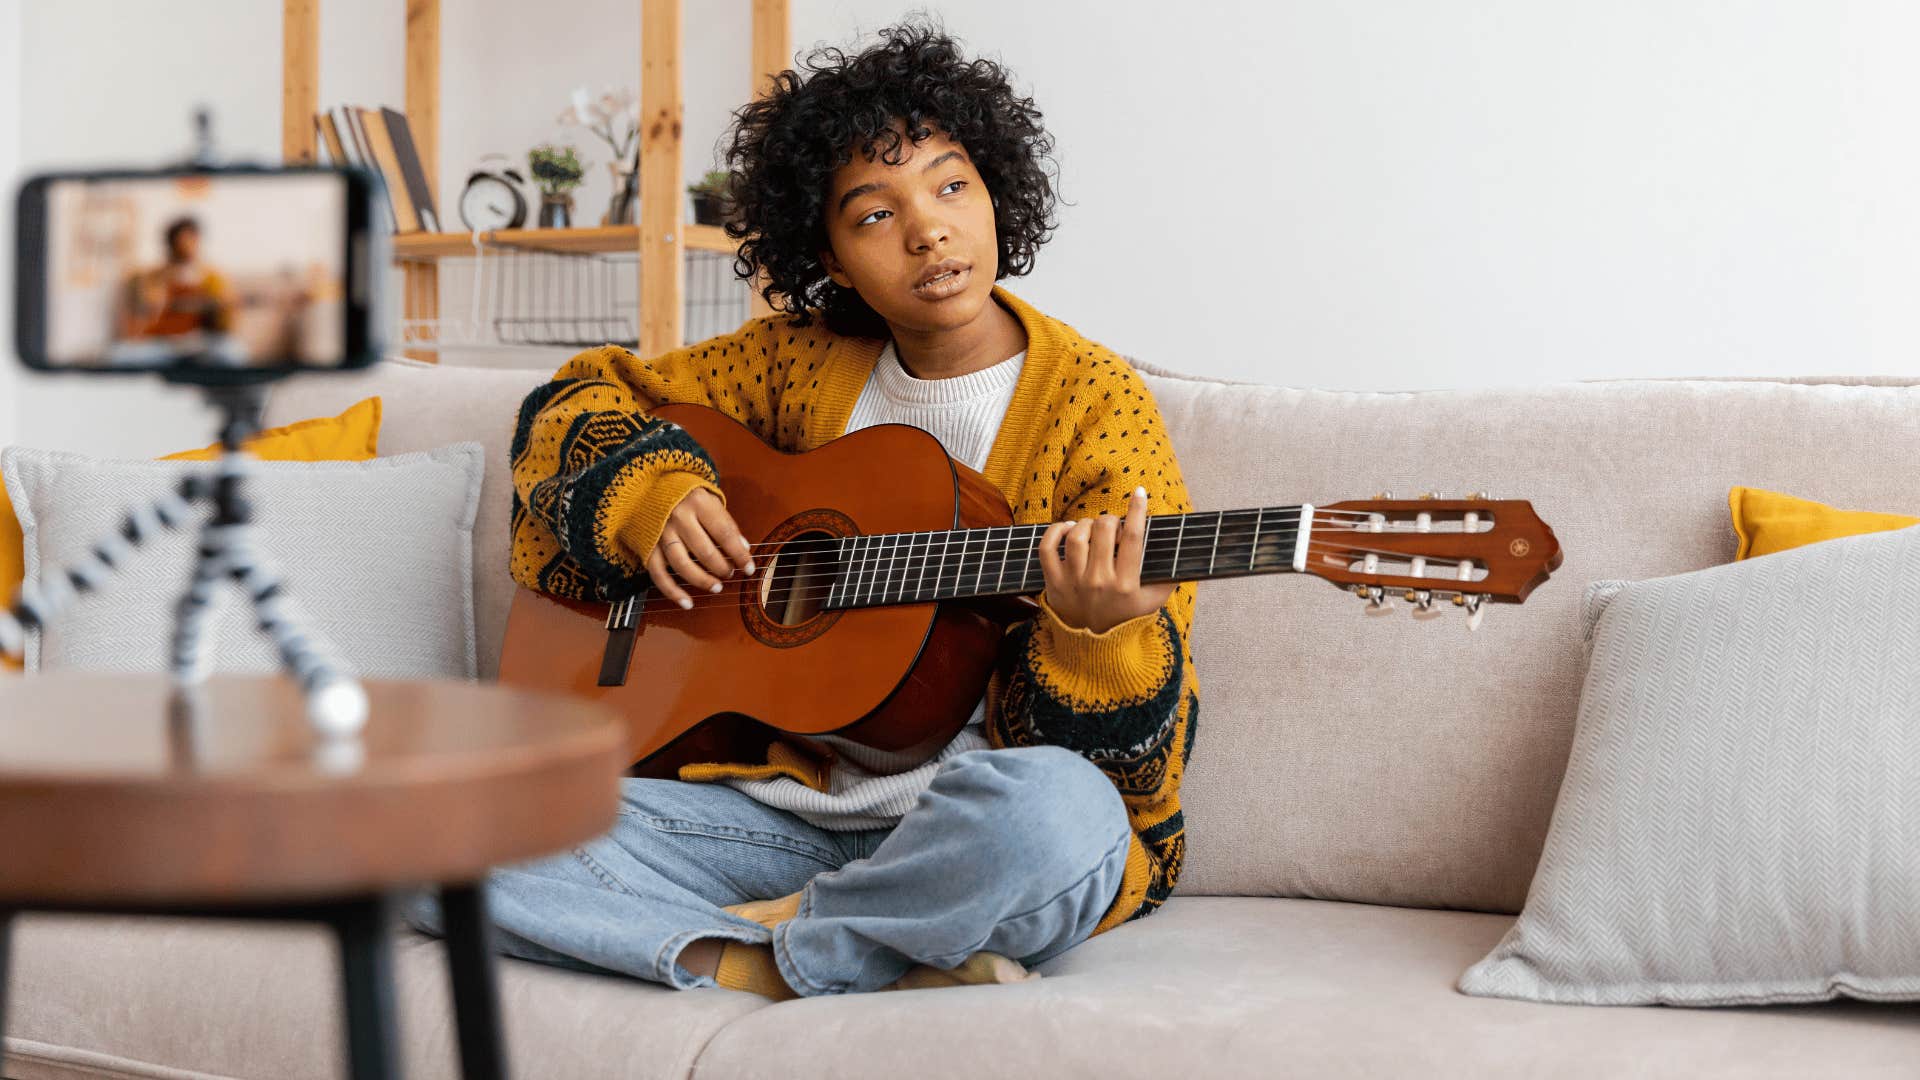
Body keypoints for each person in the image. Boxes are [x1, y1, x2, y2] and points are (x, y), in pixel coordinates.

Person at [403, 17, 1201, 1000]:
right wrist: (648, 495)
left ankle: (774, 956)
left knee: (1063, 817)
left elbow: (1131, 779)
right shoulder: (793, 359)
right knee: (423, 826)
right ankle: (851, 953)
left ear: (997, 190)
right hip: (767, 822)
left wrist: (1096, 633)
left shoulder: (1098, 408)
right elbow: (574, 400)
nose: (928, 230)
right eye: (872, 214)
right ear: (823, 248)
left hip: (968, 829)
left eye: (952, 184)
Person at [116, 216, 233, 342]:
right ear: (171, 244)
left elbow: (225, 310)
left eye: (192, 240)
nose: (188, 246)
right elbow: (146, 308)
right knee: (122, 356)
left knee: (232, 353)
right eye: (181, 241)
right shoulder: (154, 276)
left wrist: (222, 306)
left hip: (202, 341)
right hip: (161, 339)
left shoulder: (212, 276)